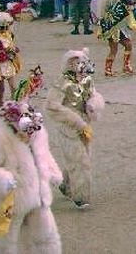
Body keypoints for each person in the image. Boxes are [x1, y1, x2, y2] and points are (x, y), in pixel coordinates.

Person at [0, 100, 62, 254]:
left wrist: (52, 171)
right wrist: (2, 179)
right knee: (2, 245)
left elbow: (43, 154)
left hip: (39, 197)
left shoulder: (36, 133)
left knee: (45, 239)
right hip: (8, 203)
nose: (29, 133)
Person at [46, 48, 105, 209]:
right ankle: (81, 196)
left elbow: (93, 94)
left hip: (85, 124)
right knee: (79, 160)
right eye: (76, 63)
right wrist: (72, 118)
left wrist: (93, 104)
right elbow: (52, 105)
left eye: (81, 62)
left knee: (83, 155)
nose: (80, 66)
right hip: (68, 126)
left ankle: (66, 185)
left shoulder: (87, 80)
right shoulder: (62, 83)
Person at [96, 0, 136, 76]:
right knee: (116, 48)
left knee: (126, 45)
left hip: (116, 26)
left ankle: (124, 66)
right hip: (113, 27)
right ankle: (110, 69)